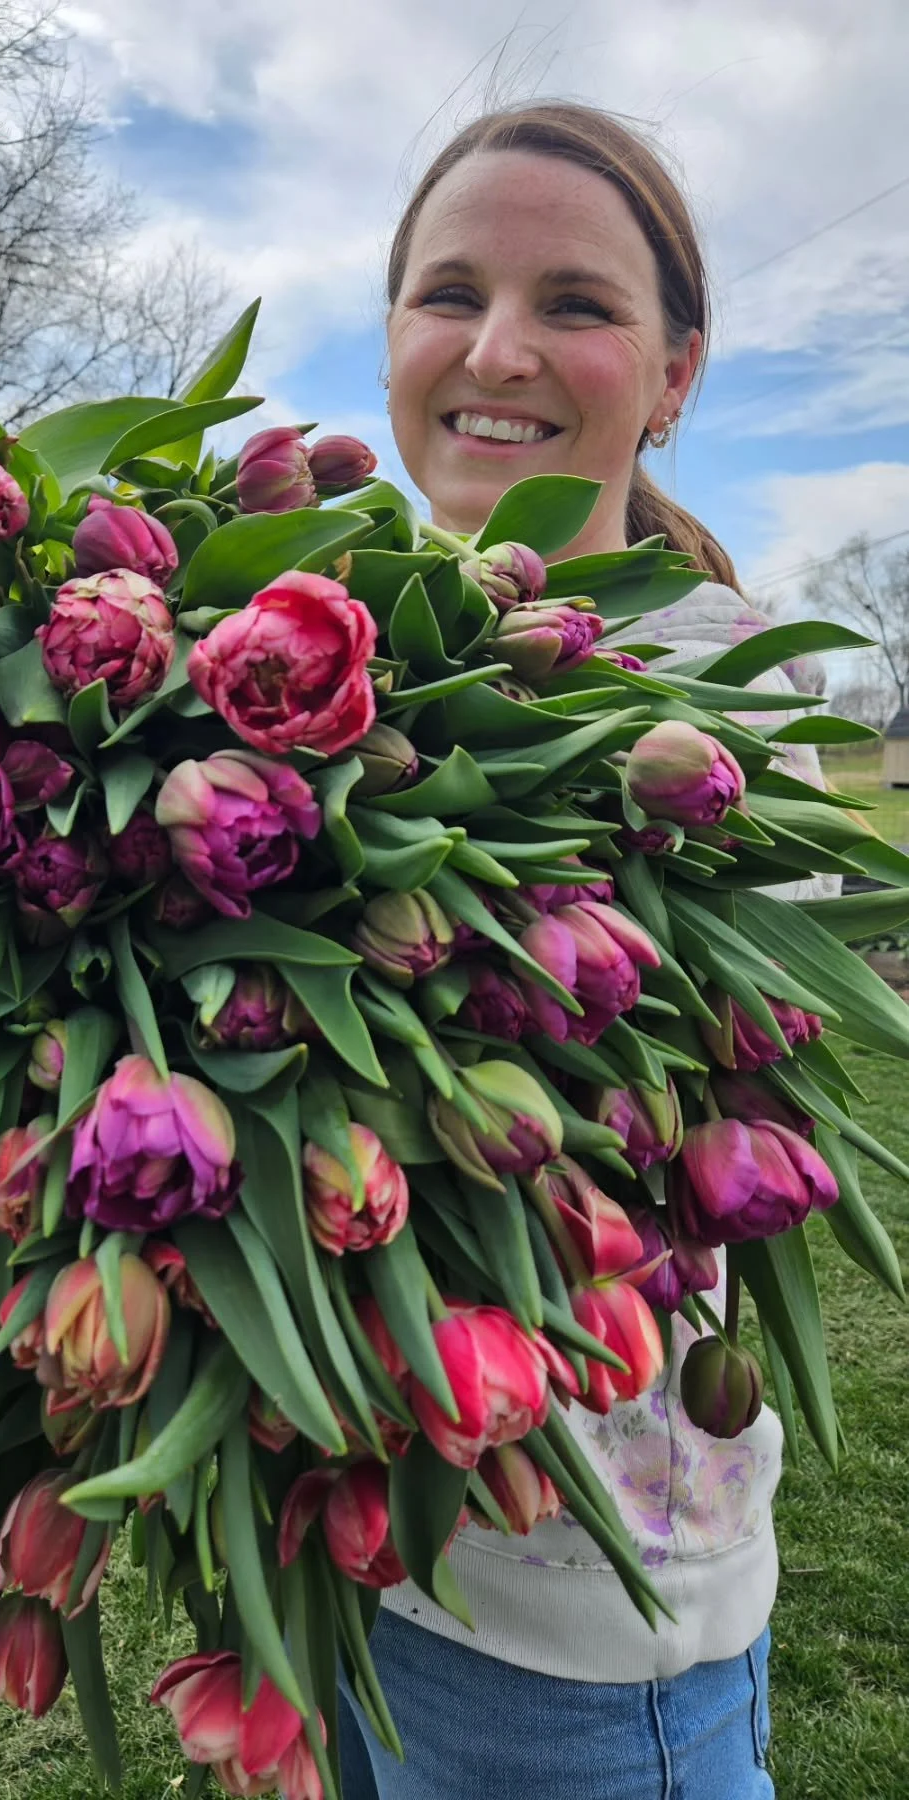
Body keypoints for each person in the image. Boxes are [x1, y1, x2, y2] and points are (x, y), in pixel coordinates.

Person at [339, 99, 833, 1800]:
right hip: (348, 1543)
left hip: (587, 1605)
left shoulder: (727, 697)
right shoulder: (318, 641)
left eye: (575, 304)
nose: (495, 350)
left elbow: (719, 1092)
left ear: (677, 374)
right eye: (446, 292)